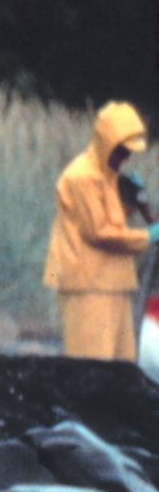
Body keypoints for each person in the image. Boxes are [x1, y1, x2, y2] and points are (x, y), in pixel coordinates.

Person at [43, 101, 159, 359]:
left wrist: (135, 203)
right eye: (121, 151)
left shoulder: (109, 177)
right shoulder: (81, 177)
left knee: (121, 369)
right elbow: (100, 233)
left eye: (129, 152)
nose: (125, 158)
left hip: (112, 283)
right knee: (92, 369)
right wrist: (148, 236)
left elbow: (113, 219)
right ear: (106, 142)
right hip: (88, 288)